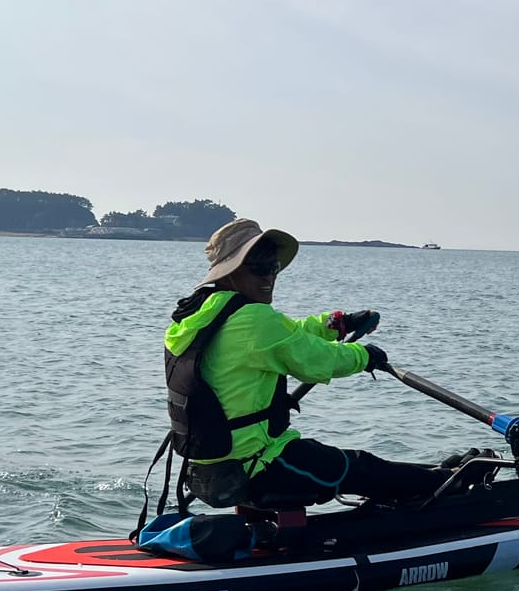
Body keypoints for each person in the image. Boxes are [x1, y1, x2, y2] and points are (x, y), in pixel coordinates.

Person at [163, 218, 453, 509]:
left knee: (351, 465)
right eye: (260, 268)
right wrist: (366, 357)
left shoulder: (201, 314)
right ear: (233, 271)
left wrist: (337, 324)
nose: (269, 277)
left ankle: (436, 478)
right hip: (262, 464)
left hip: (211, 469)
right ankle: (448, 485)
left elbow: (288, 336)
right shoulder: (254, 320)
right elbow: (318, 359)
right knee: (358, 467)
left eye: (273, 267)